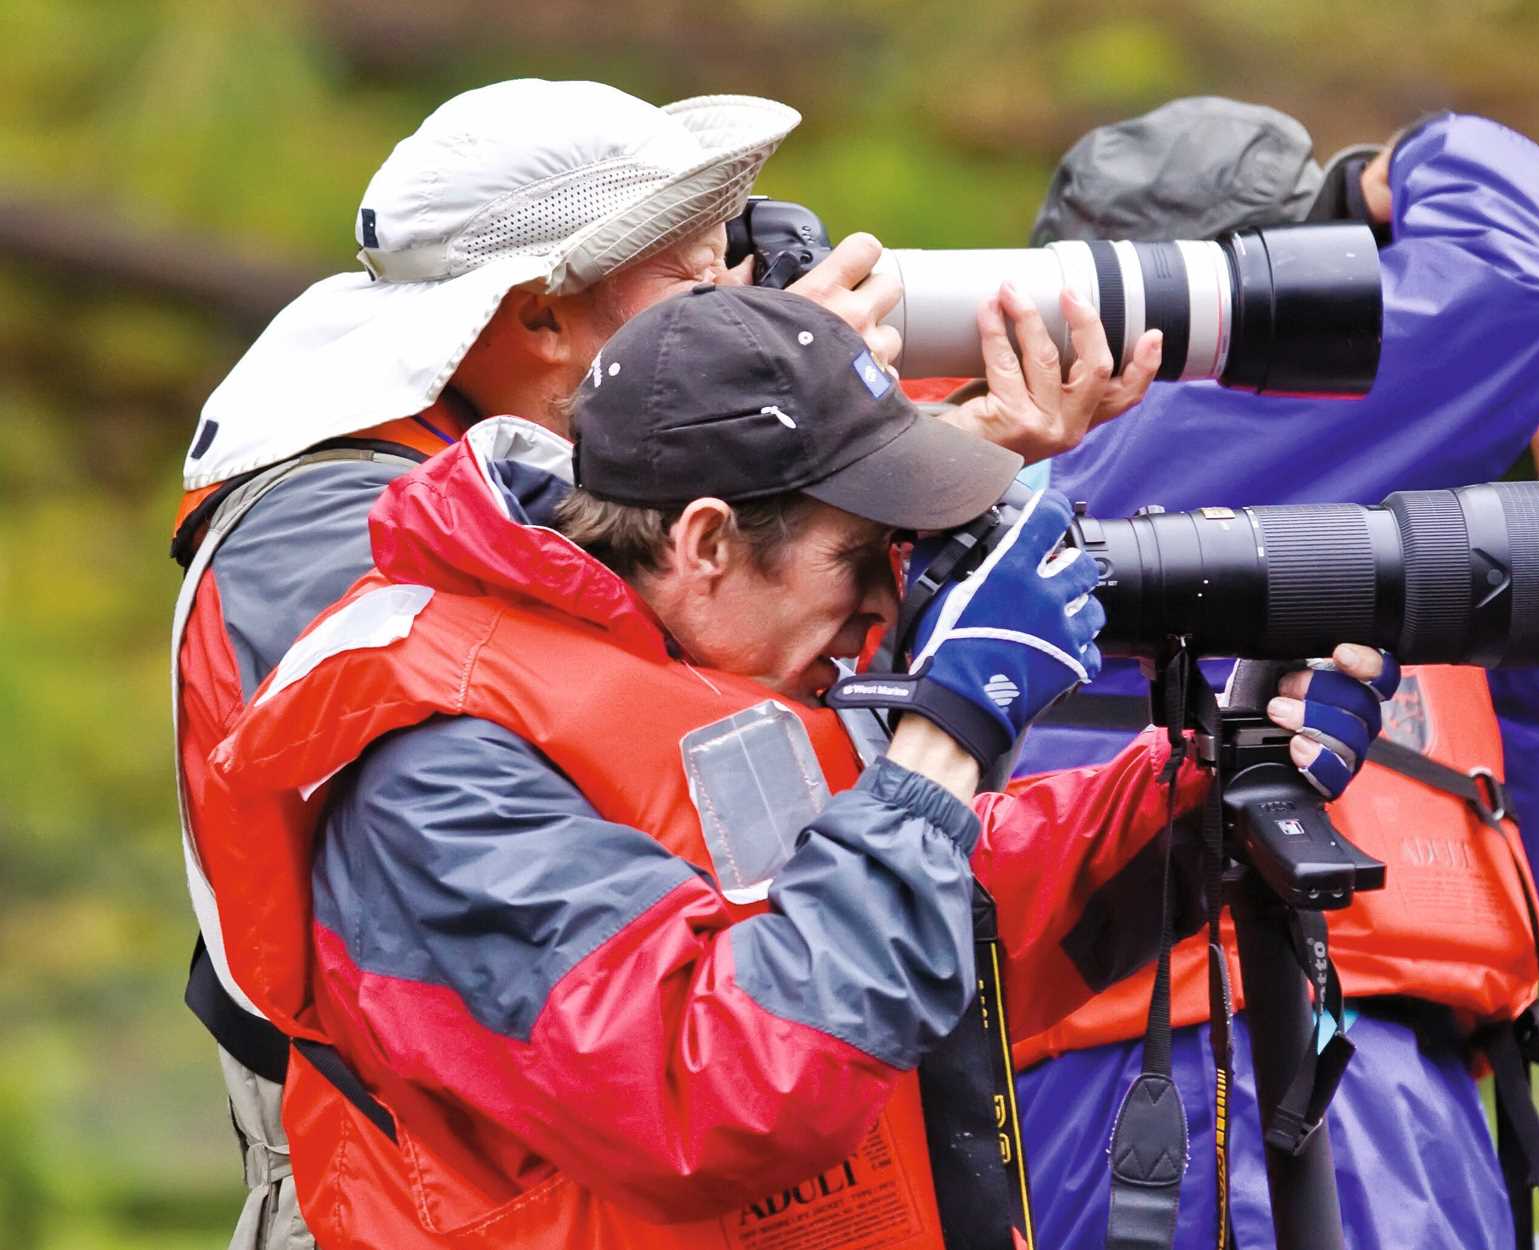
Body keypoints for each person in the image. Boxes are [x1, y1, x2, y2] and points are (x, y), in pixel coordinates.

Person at [170, 78, 1162, 1249]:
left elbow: (769, 825)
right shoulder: (335, 542)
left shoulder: (571, 501)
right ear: (543, 317)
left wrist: (1194, 797)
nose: (741, 292)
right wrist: (795, 469)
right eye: (699, 281)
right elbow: (697, 1033)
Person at [193, 284, 1390, 1248]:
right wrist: (950, 727)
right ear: (708, 539)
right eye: (862, 556)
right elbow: (714, 1090)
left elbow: (931, 958)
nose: (887, 604)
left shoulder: (694, 669)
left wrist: (1205, 797)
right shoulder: (437, 756)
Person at [1003, 99, 1539, 1250]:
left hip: (1418, 1138)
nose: (1377, 321)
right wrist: (1400, 169)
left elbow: (1534, 833)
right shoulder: (1103, 466)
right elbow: (1518, 277)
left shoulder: (1362, 554)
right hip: (1179, 1113)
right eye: (1354, 281)